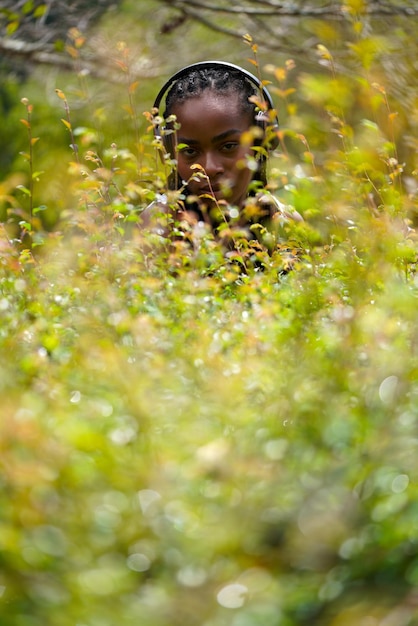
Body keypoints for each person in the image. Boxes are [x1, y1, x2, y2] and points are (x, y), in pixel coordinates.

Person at [142, 61, 301, 252]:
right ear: (168, 151)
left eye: (228, 146)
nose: (208, 168)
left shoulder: (286, 226)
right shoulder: (156, 230)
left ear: (260, 142)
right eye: (190, 151)